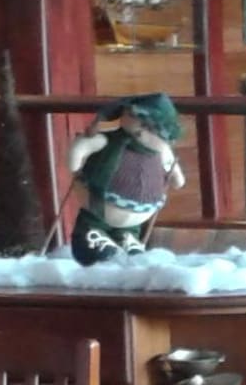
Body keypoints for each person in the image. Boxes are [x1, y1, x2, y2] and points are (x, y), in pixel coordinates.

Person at [65, 93, 187, 264]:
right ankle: (92, 239)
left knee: (130, 241)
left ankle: (127, 241)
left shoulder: (163, 152)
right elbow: (81, 150)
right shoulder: (109, 141)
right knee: (92, 227)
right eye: (140, 122)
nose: (144, 131)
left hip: (138, 218)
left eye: (152, 128)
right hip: (98, 204)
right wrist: (77, 156)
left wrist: (177, 177)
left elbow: (177, 180)